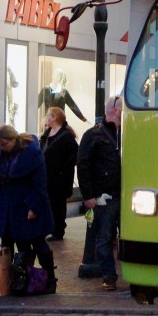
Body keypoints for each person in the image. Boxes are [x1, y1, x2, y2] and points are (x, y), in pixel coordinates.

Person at [0, 125, 57, 294]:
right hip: (8, 203)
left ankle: (50, 280)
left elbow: (40, 183)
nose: (2, 148)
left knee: (37, 241)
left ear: (13, 140)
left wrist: (34, 206)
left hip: (27, 202)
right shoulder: (1, 153)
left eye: (5, 144)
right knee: (8, 241)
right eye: (0, 145)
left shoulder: (32, 153)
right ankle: (7, 281)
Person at [78, 96, 123, 291]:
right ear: (115, 110)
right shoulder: (93, 135)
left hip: (123, 195)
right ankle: (108, 276)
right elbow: (83, 166)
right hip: (105, 196)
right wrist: (89, 196)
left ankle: (111, 275)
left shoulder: (124, 134)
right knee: (103, 236)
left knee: (107, 236)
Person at [40, 108, 78, 241]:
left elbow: (74, 155)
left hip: (60, 178)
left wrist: (62, 169)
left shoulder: (66, 135)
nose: (46, 118)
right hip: (47, 175)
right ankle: (49, 227)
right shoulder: (47, 133)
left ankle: (58, 230)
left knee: (58, 204)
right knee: (48, 202)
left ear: (55, 118)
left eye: (48, 116)